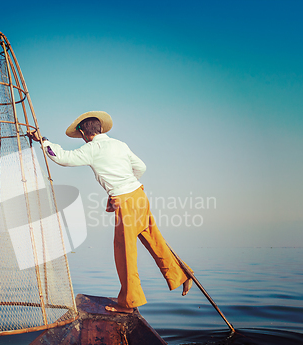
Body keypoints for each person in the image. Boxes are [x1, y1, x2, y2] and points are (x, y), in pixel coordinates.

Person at [28, 111, 193, 313]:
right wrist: (125, 183)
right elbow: (141, 167)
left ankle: (128, 303)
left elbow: (62, 157)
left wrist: (43, 142)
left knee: (125, 251)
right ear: (100, 129)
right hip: (139, 195)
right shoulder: (119, 144)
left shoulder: (91, 149)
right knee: (154, 239)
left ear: (83, 132)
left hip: (125, 202)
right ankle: (181, 274)